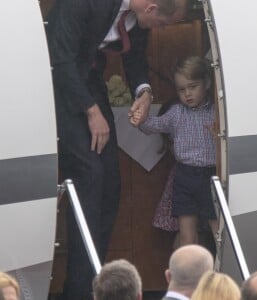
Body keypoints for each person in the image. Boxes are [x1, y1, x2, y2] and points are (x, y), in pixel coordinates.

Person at [45, 0, 187, 299]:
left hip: (89, 84)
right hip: (58, 84)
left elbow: (135, 58)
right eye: (161, 24)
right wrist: (91, 111)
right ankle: (78, 291)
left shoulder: (135, 16)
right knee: (89, 178)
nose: (159, 29)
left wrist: (144, 92)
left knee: (110, 183)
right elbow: (61, 59)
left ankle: (96, 281)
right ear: (150, 8)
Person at [133, 56, 218, 247]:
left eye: (192, 86)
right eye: (181, 89)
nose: (187, 93)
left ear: (207, 83)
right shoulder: (176, 113)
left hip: (211, 176)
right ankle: (189, 275)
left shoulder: (216, 113)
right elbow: (154, 125)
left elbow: (227, 141)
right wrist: (140, 119)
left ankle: (222, 274)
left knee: (219, 232)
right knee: (187, 236)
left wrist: (219, 135)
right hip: (184, 177)